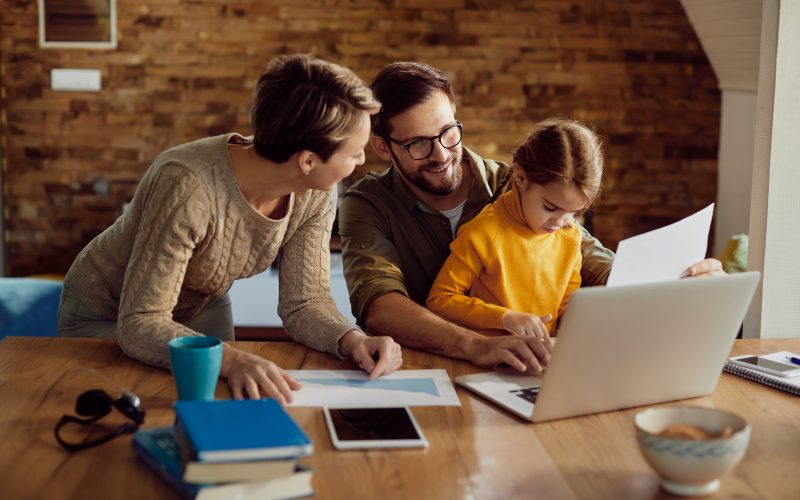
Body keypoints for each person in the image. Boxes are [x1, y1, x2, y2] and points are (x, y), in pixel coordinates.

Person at [57, 54, 403, 403]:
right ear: (308, 160)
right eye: (356, 151)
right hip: (111, 312)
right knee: (144, 410)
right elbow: (140, 322)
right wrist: (232, 358)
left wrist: (352, 339)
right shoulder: (187, 185)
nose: (362, 161)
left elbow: (304, 301)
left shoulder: (316, 190)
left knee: (226, 406)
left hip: (201, 302)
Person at [338, 61, 724, 373]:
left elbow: (593, 264)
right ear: (383, 148)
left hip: (526, 367)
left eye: (449, 132)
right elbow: (380, 306)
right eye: (418, 144)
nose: (441, 154)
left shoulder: (516, 186)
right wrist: (479, 345)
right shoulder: (366, 203)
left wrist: (675, 281)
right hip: (415, 372)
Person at [427, 119, 603, 347]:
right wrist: (505, 318)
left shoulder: (570, 237)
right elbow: (440, 300)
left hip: (541, 363)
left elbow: (568, 309)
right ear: (519, 178)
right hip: (488, 362)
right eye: (550, 208)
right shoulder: (483, 233)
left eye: (573, 213)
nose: (561, 222)